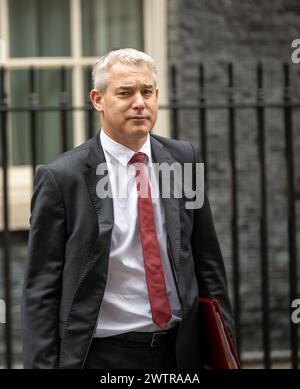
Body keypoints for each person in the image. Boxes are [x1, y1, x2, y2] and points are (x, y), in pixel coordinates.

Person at [22, 48, 236, 369]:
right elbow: (41, 287)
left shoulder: (184, 159)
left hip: (179, 351)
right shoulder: (60, 177)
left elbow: (208, 263)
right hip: (102, 354)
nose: (139, 102)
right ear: (98, 99)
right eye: (125, 92)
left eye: (146, 92)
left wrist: (224, 347)